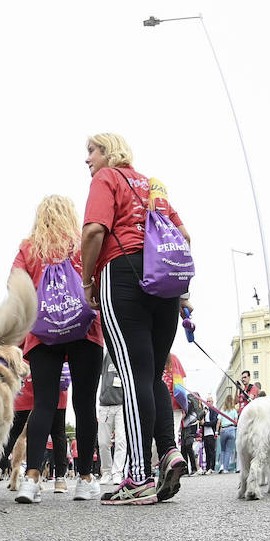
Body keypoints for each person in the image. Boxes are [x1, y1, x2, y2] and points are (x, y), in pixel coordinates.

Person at [80, 132, 192, 505]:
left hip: (123, 273)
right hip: (164, 280)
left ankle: (139, 477)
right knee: (152, 372)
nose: (87, 160)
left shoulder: (107, 178)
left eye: (91, 151)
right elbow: (184, 236)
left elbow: (95, 230)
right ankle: (169, 451)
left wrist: (88, 280)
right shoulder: (153, 185)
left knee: (132, 377)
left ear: (108, 151)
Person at [6, 195, 104, 502]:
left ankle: (32, 478)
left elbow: (13, 286)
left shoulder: (29, 248)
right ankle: (85, 479)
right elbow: (99, 277)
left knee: (44, 403)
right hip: (85, 329)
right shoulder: (81, 242)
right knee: (85, 404)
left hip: (42, 332)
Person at [97, 352, 127, 486]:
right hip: (105, 404)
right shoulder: (106, 355)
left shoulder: (127, 353)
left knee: (121, 440)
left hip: (122, 404)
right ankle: (107, 471)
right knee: (103, 442)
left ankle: (117, 472)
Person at [218, 392, 239, 473]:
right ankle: (226, 468)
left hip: (223, 430)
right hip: (232, 429)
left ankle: (221, 466)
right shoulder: (234, 411)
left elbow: (218, 421)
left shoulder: (222, 410)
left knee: (223, 450)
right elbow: (236, 421)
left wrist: (217, 432)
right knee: (228, 450)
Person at [201, 394, 219, 473]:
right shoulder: (205, 411)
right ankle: (208, 467)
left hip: (211, 433)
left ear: (212, 402)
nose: (208, 402)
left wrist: (205, 423)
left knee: (212, 451)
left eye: (209, 401)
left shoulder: (214, 410)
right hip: (205, 434)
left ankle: (212, 467)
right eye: (207, 401)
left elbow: (214, 422)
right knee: (207, 451)